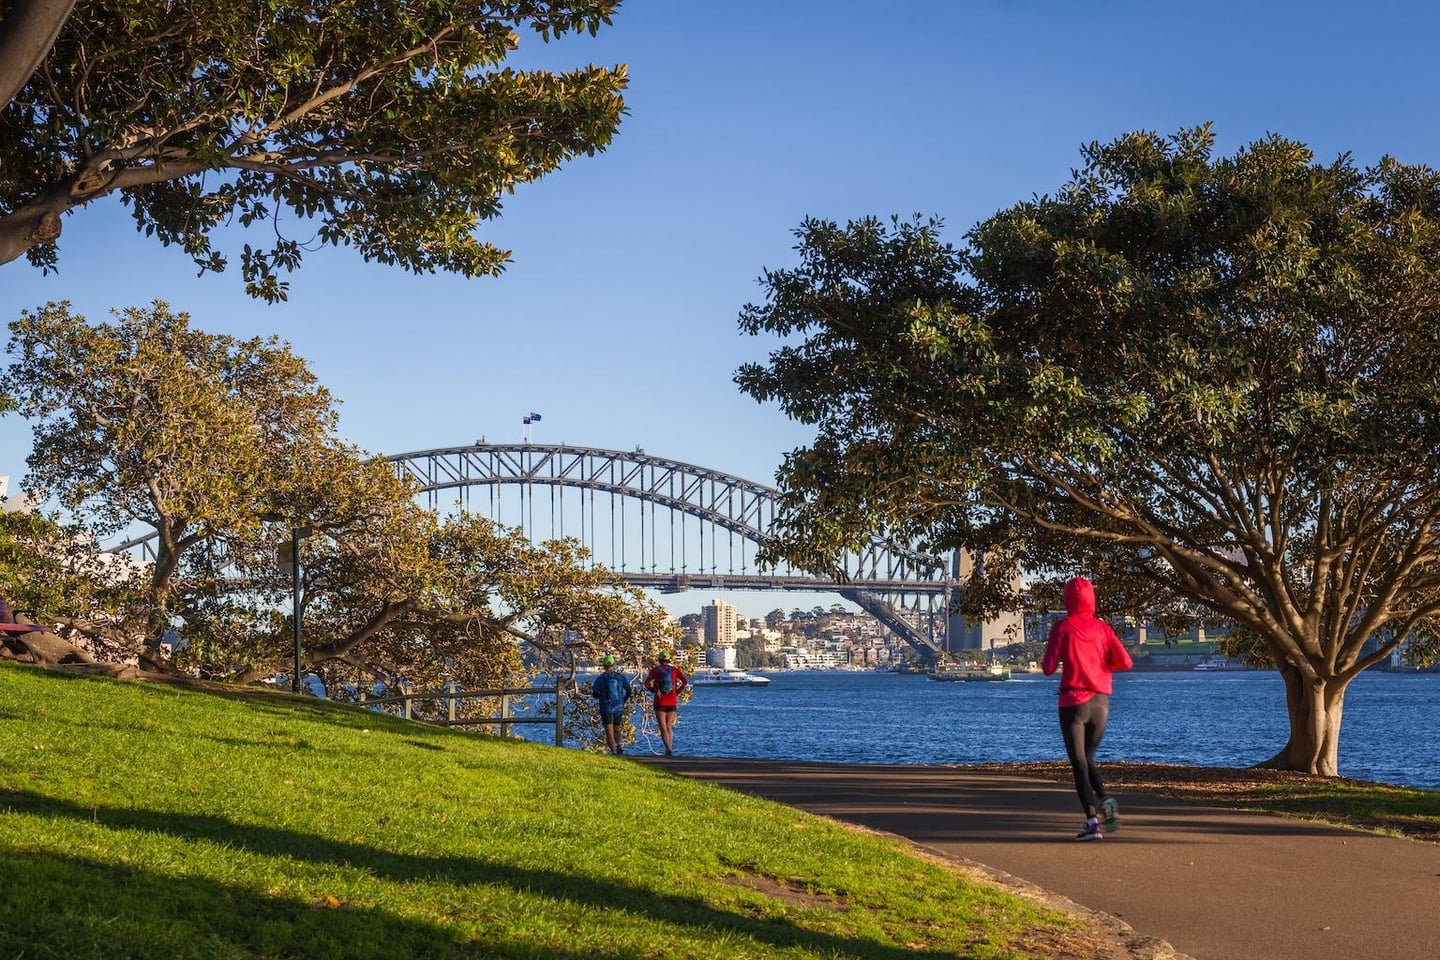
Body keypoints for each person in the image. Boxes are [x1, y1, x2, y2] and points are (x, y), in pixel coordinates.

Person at [1042, 575, 1133, 841]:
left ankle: (1093, 823)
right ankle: (1105, 800)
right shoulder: (1104, 629)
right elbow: (1125, 662)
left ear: (1067, 599)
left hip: (1073, 703)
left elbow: (1047, 669)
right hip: (1101, 704)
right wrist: (1099, 668)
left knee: (1079, 764)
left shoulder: (1062, 627)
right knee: (1088, 759)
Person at [643, 649, 688, 756]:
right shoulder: (674, 670)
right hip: (672, 700)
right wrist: (677, 691)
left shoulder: (655, 670)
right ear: (668, 659)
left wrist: (654, 690)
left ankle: (667, 748)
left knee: (662, 727)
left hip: (660, 701)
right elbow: (685, 682)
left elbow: (646, 683)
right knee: (669, 727)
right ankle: (670, 747)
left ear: (659, 660)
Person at [589, 654, 633, 755]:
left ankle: (613, 751)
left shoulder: (601, 678)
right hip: (618, 706)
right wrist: (623, 700)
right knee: (617, 728)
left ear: (603, 665)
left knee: (609, 731)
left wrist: (601, 696)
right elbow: (628, 690)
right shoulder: (620, 677)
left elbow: (595, 693)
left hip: (606, 707)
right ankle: (620, 745)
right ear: (614, 664)